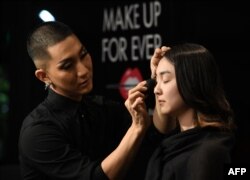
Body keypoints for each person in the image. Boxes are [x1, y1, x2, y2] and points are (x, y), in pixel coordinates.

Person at [18, 21, 160, 180]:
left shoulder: (99, 107)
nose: (83, 70)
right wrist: (136, 128)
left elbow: (157, 132)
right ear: (44, 76)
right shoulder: (37, 132)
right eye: (67, 66)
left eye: (83, 54)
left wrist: (158, 81)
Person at [126, 43, 235, 180]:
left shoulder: (207, 153)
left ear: (191, 81)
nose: (156, 90)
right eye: (156, 81)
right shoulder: (172, 145)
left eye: (165, 80)